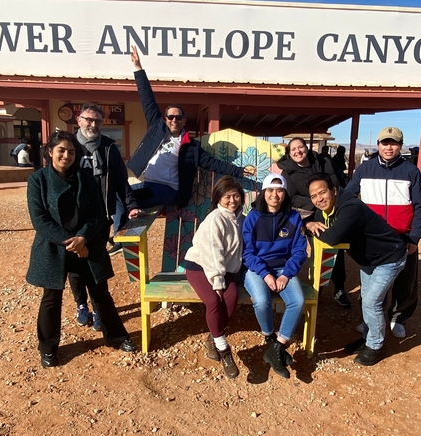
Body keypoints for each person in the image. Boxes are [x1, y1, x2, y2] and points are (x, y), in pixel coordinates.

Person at [25, 130, 136, 368]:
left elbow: (98, 213)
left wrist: (83, 237)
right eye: (61, 150)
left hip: (87, 244)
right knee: (51, 299)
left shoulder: (86, 178)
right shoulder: (38, 180)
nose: (66, 155)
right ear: (50, 152)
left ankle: (116, 336)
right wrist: (71, 242)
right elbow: (40, 220)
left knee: (100, 294)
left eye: (72, 151)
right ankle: (48, 348)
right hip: (55, 248)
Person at [128, 46, 256, 209]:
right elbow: (147, 100)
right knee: (120, 197)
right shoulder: (156, 128)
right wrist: (138, 68)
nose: (174, 120)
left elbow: (213, 163)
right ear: (165, 119)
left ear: (184, 121)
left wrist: (240, 171)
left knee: (128, 200)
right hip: (148, 184)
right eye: (171, 117)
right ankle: (120, 229)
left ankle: (126, 222)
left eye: (178, 117)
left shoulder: (190, 146)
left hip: (166, 189)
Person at [306, 174, 407, 366]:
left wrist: (312, 228)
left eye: (322, 192)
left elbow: (332, 237)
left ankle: (375, 346)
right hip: (369, 260)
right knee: (366, 300)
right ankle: (369, 338)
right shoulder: (326, 210)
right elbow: (313, 223)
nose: (319, 199)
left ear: (334, 190)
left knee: (371, 302)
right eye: (313, 196)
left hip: (389, 258)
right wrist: (309, 224)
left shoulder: (351, 208)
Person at [345, 126, 421, 339]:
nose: (388, 147)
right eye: (384, 143)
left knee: (405, 281)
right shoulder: (364, 170)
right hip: (372, 238)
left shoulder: (411, 172)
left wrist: (415, 237)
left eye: (393, 143)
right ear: (378, 145)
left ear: (400, 146)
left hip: (402, 236)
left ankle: (398, 318)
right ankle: (371, 320)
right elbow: (347, 197)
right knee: (372, 283)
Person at [70, 103, 143, 332]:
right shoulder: (68, 146)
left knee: (96, 264)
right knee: (74, 265)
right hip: (72, 218)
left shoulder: (110, 147)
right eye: (89, 120)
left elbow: (121, 180)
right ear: (79, 119)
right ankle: (81, 304)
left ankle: (98, 307)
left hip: (100, 216)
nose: (93, 125)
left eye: (98, 121)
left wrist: (131, 205)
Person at [242, 173, 308, 379]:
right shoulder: (252, 217)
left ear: (285, 193)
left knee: (298, 301)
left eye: (279, 190)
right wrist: (265, 274)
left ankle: (278, 348)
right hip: (256, 268)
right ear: (263, 192)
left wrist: (286, 274)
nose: (275, 195)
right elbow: (247, 253)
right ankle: (270, 337)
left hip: (283, 268)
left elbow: (299, 250)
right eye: (270, 190)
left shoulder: (293, 218)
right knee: (262, 301)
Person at [183, 176, 246, 379]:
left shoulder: (241, 218)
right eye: (227, 196)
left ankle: (212, 337)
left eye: (236, 195)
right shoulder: (215, 219)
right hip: (200, 266)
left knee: (231, 298)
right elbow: (213, 252)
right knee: (213, 300)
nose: (232, 200)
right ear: (218, 197)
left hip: (224, 269)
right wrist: (217, 281)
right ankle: (224, 349)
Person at [276, 137, 350, 307]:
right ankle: (318, 288)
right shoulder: (288, 172)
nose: (297, 151)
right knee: (319, 251)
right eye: (293, 149)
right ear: (289, 153)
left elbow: (341, 180)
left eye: (300, 147)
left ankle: (339, 288)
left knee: (337, 249)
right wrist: (316, 200)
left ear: (306, 148)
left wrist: (341, 198)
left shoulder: (324, 162)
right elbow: (291, 198)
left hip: (334, 209)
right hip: (310, 215)